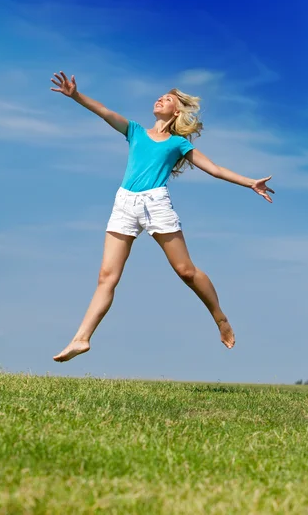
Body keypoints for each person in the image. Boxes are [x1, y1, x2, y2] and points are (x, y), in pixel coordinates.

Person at [50, 71, 274, 362]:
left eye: (167, 99)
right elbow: (104, 112)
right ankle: (81, 339)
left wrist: (250, 182)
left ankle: (220, 317)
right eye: (159, 97)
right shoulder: (135, 131)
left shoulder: (178, 144)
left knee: (186, 272)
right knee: (107, 276)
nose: (160, 99)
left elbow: (215, 169)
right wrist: (76, 96)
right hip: (124, 204)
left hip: (155, 204)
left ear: (177, 110)